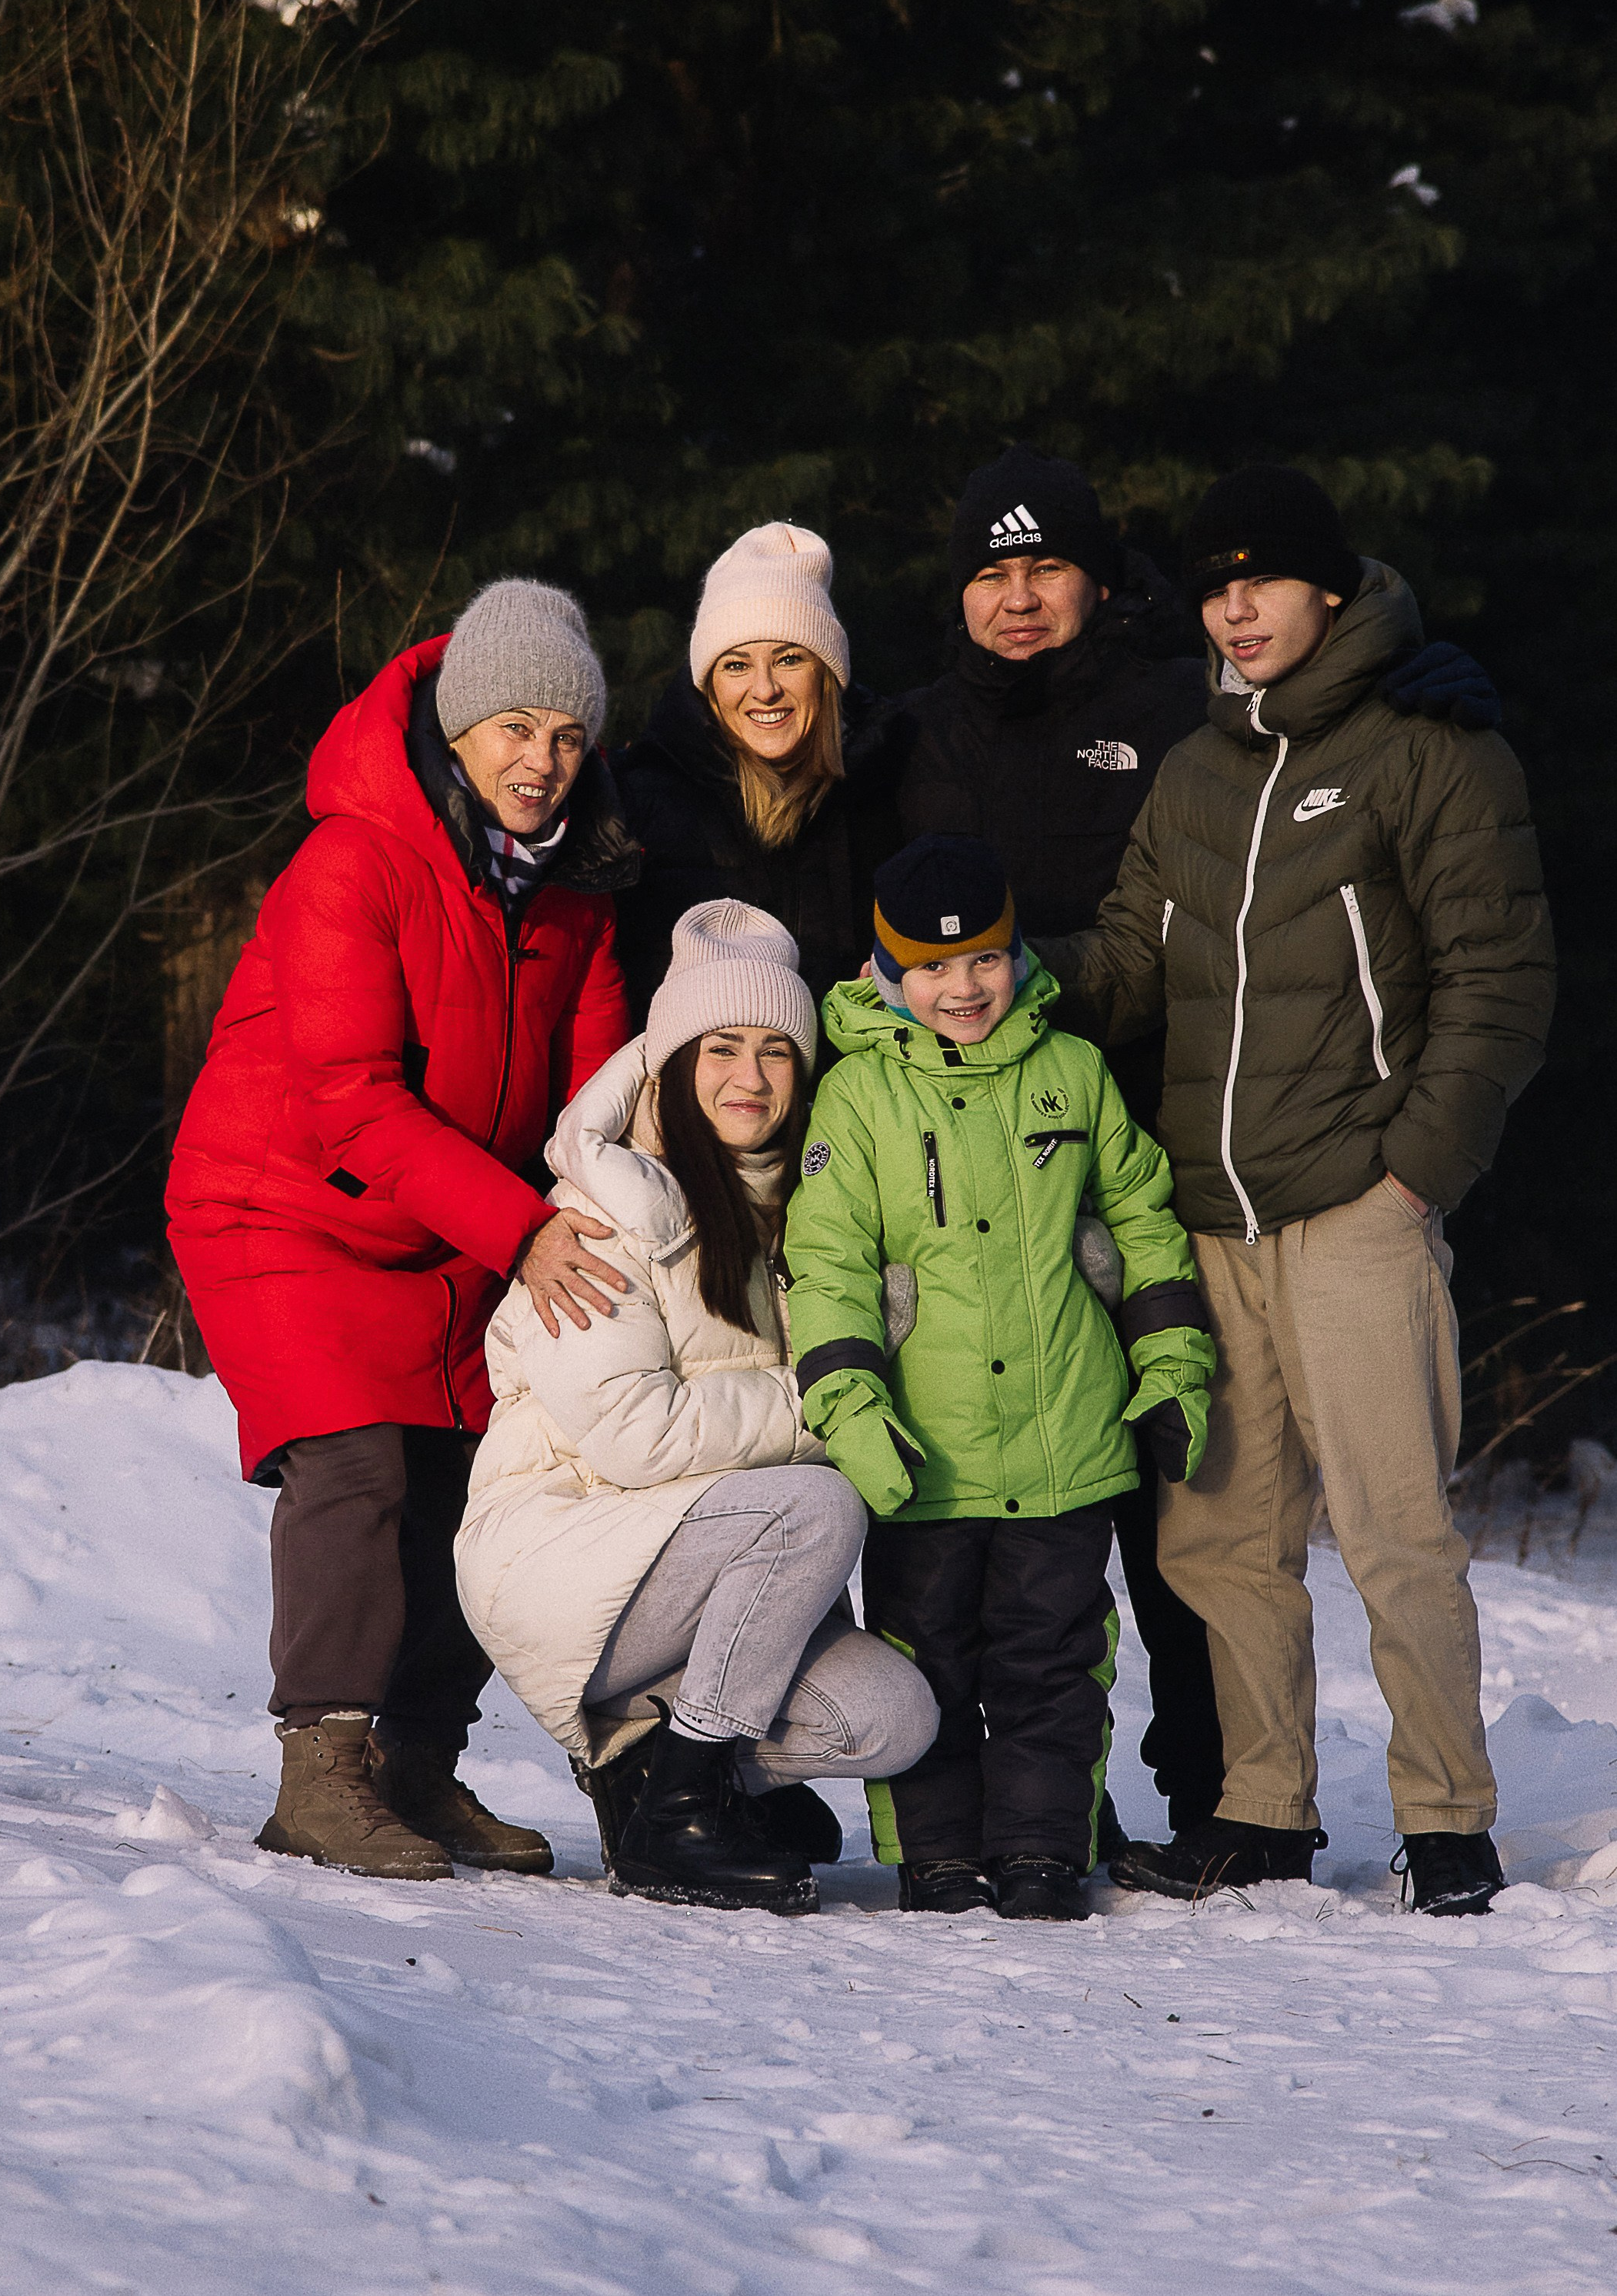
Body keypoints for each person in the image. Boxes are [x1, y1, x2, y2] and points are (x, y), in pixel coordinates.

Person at [1039, 466, 1555, 1917]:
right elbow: (1130, 965)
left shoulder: (1428, 747)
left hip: (1351, 1209)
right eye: (1214, 585)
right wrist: (995, 965)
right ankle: (1263, 1809)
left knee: (1395, 1532)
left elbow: (1501, 983)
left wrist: (1412, 1175)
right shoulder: (1197, 771)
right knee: (1217, 1541)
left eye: (1261, 580)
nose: (1235, 609)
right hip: (1211, 1221)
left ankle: (1445, 1820)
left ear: (1328, 588)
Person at [168, 578, 645, 1883]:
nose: (541, 761)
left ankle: (418, 1766)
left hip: (450, 1223)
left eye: (567, 735)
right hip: (281, 1201)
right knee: (358, 1461)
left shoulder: (574, 897)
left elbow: (600, 1100)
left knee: (481, 1478)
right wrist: (523, 1235)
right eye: (514, 729)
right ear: (457, 729)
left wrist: (620, 1216)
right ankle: (321, 1774)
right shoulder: (354, 861)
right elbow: (350, 1100)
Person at [455, 899, 939, 1915]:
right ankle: (678, 1816)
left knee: (891, 1716)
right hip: (563, 1560)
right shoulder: (603, 1214)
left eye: (776, 1050)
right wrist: (831, 1398)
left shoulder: (808, 1207)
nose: (749, 1077)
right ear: (674, 1063)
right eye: (720, 1048)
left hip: (704, 1564)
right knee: (816, 1502)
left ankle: (659, 1770)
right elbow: (637, 1437)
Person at [785, 834, 1214, 1921]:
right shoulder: (857, 1096)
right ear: (888, 972)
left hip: (1067, 1439)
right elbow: (827, 1264)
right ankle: (935, 1852)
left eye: (983, 958)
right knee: (926, 1660)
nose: (962, 987)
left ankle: (1040, 1849)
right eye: (931, 967)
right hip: (923, 1452)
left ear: (1017, 957)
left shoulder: (1073, 1071)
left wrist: (1171, 1364)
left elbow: (1143, 1224)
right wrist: (851, 1406)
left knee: (1052, 1661)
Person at [613, 522, 910, 1024]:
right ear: (708, 684)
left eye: (789, 659)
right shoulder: (642, 801)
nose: (766, 689)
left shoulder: (887, 785)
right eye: (736, 665)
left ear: (825, 674)